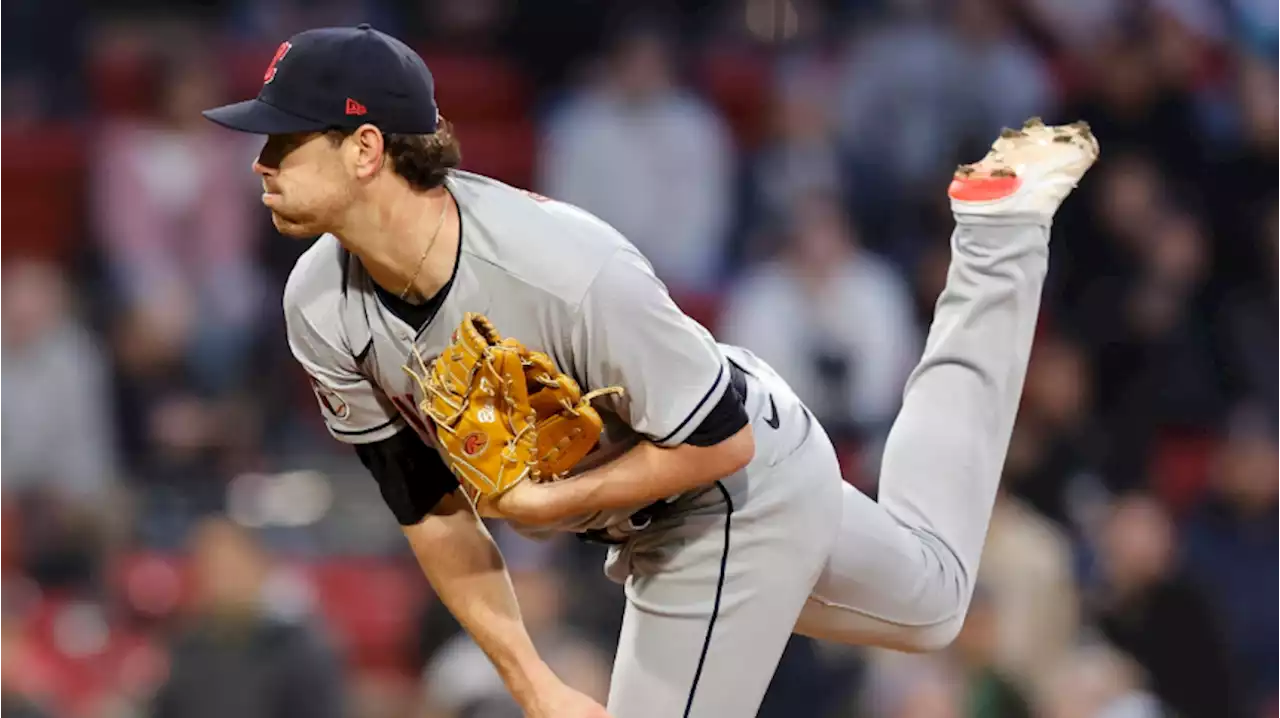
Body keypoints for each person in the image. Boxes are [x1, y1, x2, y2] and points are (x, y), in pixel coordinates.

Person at [201, 24, 1098, 718]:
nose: (261, 161)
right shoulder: (316, 304)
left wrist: (543, 506)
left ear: (364, 152)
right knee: (937, 600)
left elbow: (721, 444)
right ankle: (998, 236)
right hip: (679, 494)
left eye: (285, 141)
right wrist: (535, 683)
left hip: (726, 494)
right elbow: (426, 507)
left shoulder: (561, 267)